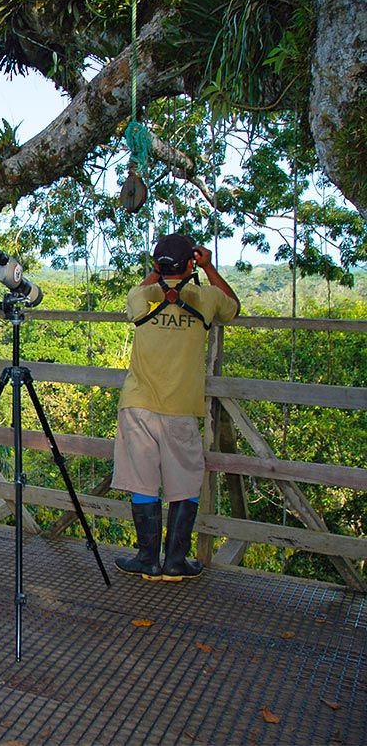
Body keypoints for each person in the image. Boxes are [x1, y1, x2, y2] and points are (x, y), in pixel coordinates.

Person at [111, 232, 240, 581]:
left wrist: (157, 272)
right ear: (190, 263)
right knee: (184, 482)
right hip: (181, 406)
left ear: (156, 264)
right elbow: (234, 307)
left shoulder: (141, 296)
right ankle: (175, 562)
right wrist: (208, 267)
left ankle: (147, 560)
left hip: (138, 404)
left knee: (143, 482)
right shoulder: (207, 298)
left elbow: (142, 292)